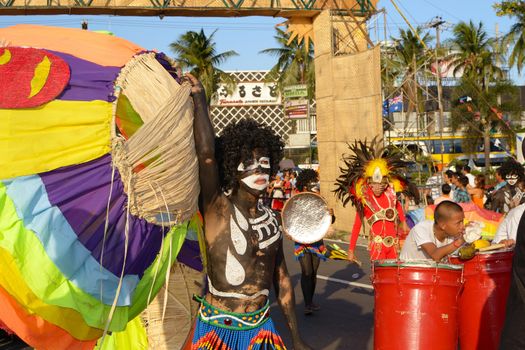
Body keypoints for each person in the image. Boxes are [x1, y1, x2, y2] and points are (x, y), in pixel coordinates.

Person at [187, 74, 310, 349]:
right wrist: (199, 99)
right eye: (251, 163)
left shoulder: (272, 219)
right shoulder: (217, 206)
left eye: (265, 163)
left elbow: (282, 279)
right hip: (217, 329)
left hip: (261, 329)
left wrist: (296, 338)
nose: (260, 170)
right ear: (232, 166)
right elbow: (206, 155)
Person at [334, 138, 409, 261]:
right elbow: (357, 225)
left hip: (394, 246)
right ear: (369, 183)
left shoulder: (390, 194)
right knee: (378, 277)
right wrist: (351, 250)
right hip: (377, 247)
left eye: (382, 184)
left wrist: (404, 221)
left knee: (394, 276)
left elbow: (398, 207)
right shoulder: (364, 199)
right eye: (375, 184)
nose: (379, 187)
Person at [292, 169, 333, 315]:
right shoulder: (296, 199)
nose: (314, 184)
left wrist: (331, 215)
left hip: (316, 240)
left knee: (314, 272)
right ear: (304, 185)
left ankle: (310, 301)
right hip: (302, 240)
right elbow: (290, 220)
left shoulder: (320, 199)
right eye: (311, 182)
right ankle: (307, 304)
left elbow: (327, 221)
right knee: (306, 272)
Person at [400, 201, 472, 262]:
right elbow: (435, 255)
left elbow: (465, 252)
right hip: (408, 274)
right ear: (442, 225)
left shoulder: (453, 233)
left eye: (462, 221)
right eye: (458, 223)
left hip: (433, 274)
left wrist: (472, 235)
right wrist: (461, 240)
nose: (462, 226)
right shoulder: (421, 228)